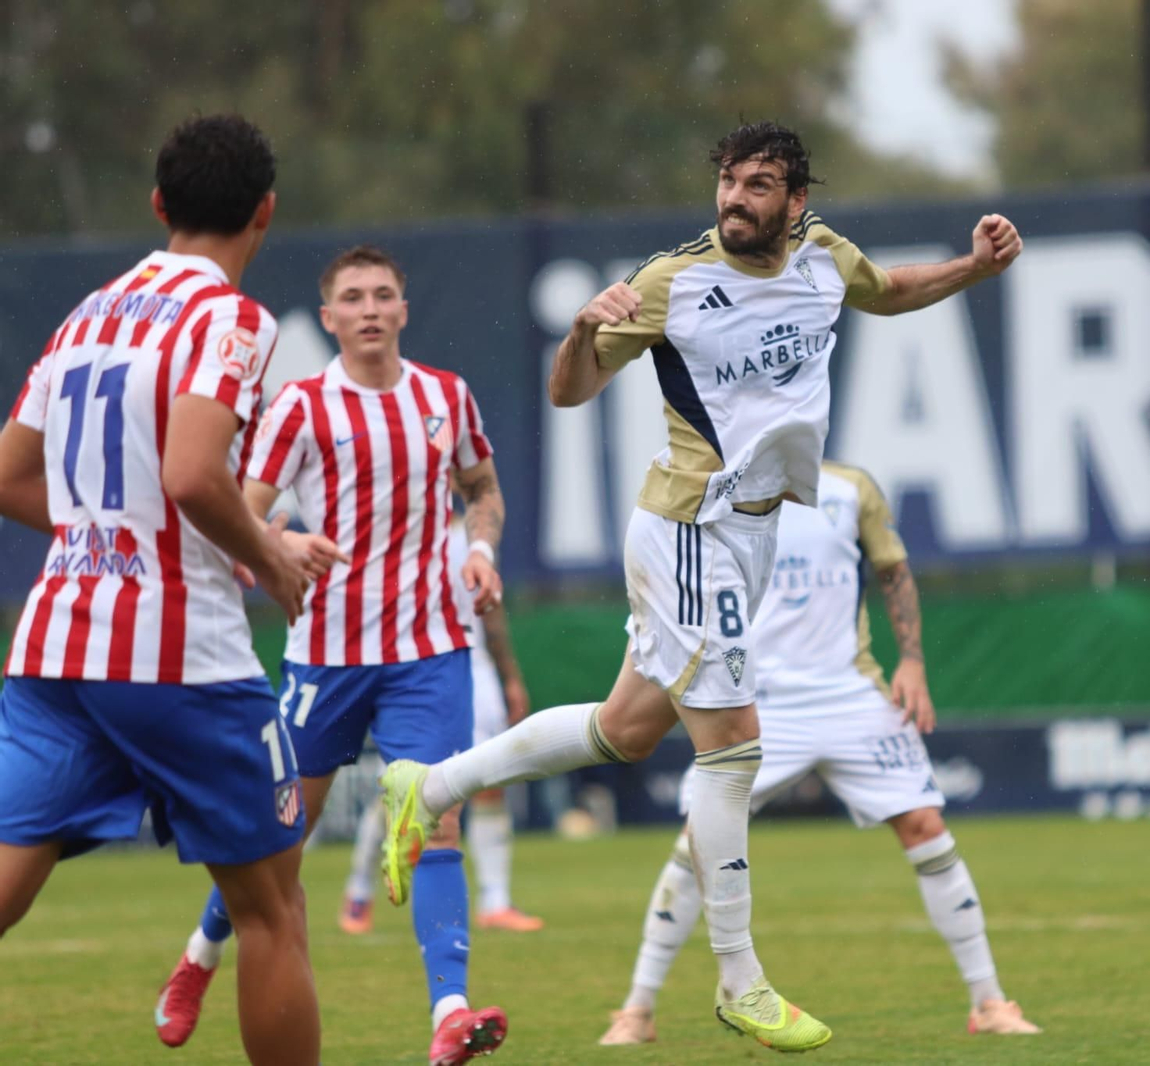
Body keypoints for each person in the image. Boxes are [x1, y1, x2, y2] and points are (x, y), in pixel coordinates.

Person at [376, 120, 1022, 1052]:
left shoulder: (823, 259)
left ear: (797, 202)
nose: (736, 200)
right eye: (728, 181)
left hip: (750, 535)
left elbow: (887, 291)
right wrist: (582, 331)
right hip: (688, 526)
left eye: (759, 185)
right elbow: (569, 392)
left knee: (624, 729)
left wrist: (971, 268)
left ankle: (426, 787)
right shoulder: (671, 283)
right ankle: (741, 981)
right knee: (734, 748)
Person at [0, 115, 325, 1065]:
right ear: (265, 212)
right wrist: (266, 552)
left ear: (158, 205)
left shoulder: (89, 312)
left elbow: (10, 473)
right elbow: (190, 471)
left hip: (56, 643)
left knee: (12, 867)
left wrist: (108, 538)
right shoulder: (229, 317)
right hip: (178, 660)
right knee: (271, 910)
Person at [153, 245, 511, 1065]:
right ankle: (198, 959)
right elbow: (239, 516)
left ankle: (448, 1015)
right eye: (354, 297)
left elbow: (481, 489)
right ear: (330, 317)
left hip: (430, 650)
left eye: (386, 293)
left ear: (405, 309)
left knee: (433, 812)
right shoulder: (301, 407)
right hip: (327, 654)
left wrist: (480, 550)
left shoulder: (445, 397)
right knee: (274, 842)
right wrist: (281, 539)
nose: (372, 308)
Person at [598, 460, 1039, 1045]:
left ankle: (989, 1002)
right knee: (697, 841)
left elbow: (893, 569)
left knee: (925, 824)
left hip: (848, 692)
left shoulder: (851, 487)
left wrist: (912, 661)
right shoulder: (718, 482)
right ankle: (637, 1011)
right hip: (759, 698)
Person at [340, 514, 544, 935]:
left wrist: (510, 676)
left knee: (490, 782)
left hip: (475, 664)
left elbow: (491, 610)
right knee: (400, 791)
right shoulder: (398, 525)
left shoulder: (473, 537)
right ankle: (359, 891)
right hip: (418, 668)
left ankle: (495, 900)